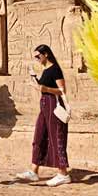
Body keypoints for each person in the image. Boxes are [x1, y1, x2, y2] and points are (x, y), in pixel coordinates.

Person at [21, 44, 72, 186]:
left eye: (38, 56)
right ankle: (34, 171)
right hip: (44, 105)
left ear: (46, 54)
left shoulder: (55, 69)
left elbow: (62, 90)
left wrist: (45, 88)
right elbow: (42, 88)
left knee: (56, 138)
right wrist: (36, 83)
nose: (37, 59)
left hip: (53, 105)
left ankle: (63, 173)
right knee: (39, 136)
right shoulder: (46, 70)